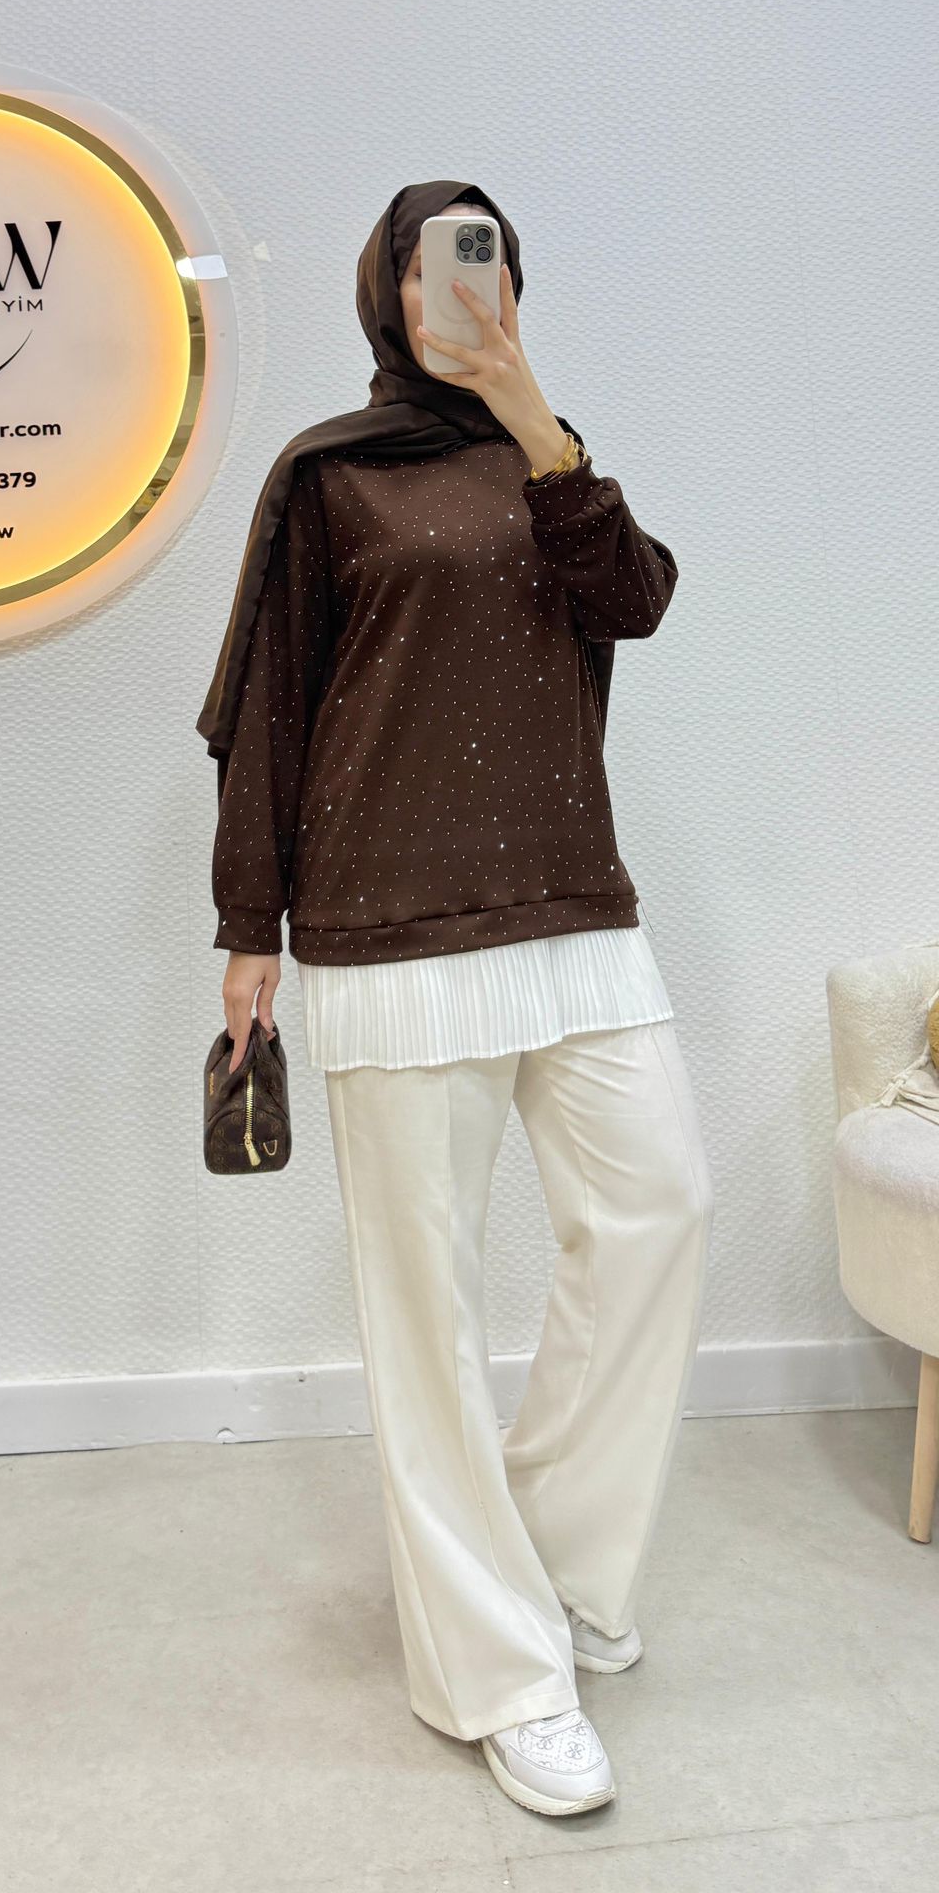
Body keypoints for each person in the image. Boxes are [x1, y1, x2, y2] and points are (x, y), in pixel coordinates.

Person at [197, 179, 714, 1818]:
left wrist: (530, 409)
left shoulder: (552, 461)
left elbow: (636, 600)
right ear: (388, 290)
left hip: (569, 904)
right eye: (437, 262)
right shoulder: (329, 476)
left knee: (660, 1212)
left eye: (490, 259)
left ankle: (549, 1561)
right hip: (385, 923)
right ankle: (499, 1674)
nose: (465, 287)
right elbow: (274, 704)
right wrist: (248, 925)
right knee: (421, 1310)